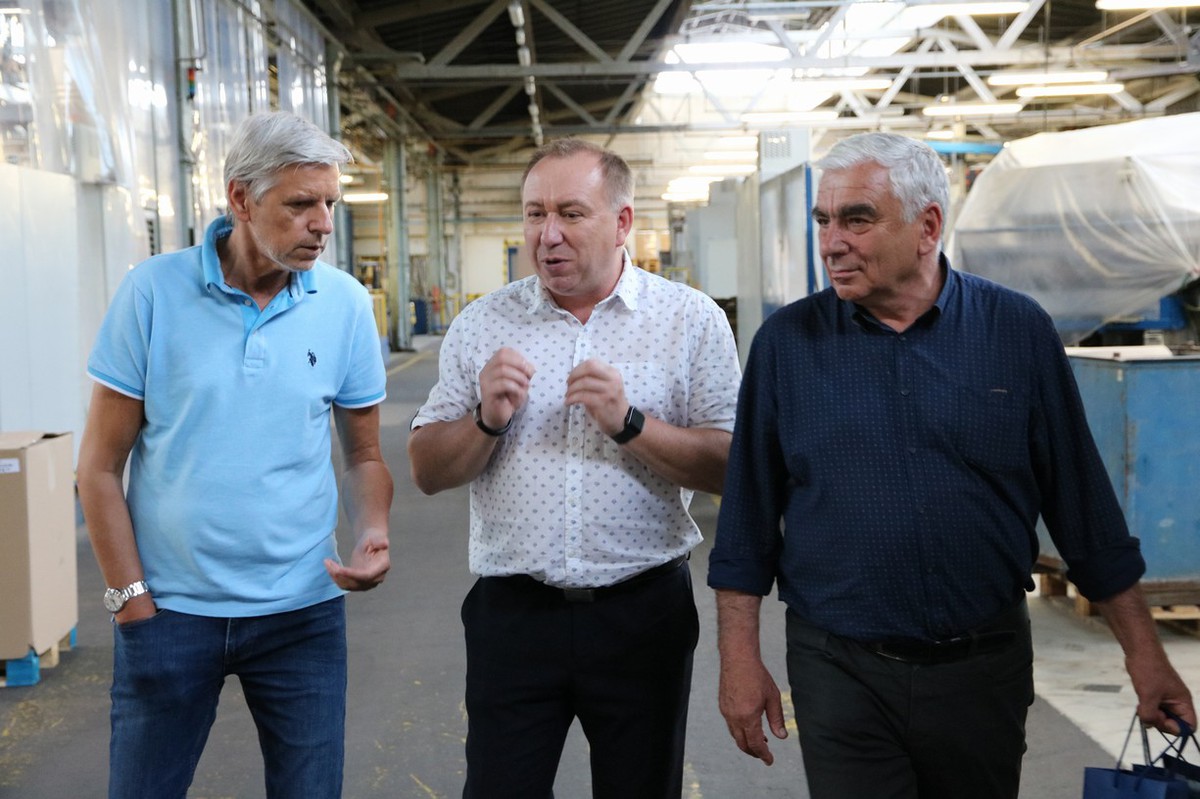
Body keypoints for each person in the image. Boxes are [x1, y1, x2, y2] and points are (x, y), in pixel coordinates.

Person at [708, 131, 1195, 799]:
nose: (831, 243)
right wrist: (738, 661)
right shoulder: (786, 347)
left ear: (928, 226)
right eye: (824, 220)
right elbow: (746, 523)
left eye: (857, 219)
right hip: (840, 670)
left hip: (983, 670)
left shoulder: (1016, 332)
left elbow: (1083, 508)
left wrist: (1145, 654)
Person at [408, 138, 741, 798]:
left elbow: (732, 468)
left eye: (571, 213)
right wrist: (484, 420)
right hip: (514, 618)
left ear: (622, 222)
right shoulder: (483, 323)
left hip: (642, 614)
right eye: (535, 213)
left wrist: (631, 423)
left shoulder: (689, 320)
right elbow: (426, 469)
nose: (548, 234)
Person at [76, 110, 393, 799]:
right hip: (170, 613)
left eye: (330, 203)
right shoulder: (152, 293)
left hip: (303, 615)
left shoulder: (344, 305)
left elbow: (364, 455)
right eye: (301, 204)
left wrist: (372, 529)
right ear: (241, 199)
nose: (323, 224)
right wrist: (130, 600)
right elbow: (97, 467)